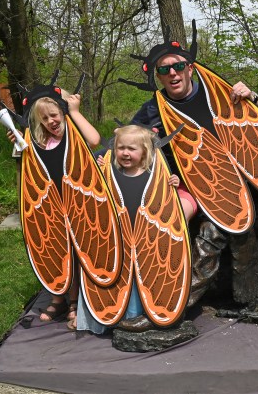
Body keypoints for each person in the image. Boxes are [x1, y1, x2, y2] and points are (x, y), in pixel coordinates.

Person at [128, 37, 258, 310]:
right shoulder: (153, 109)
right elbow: (125, 141)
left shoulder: (221, 93)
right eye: (163, 70)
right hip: (194, 184)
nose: (172, 73)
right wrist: (100, 158)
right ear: (157, 76)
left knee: (223, 227)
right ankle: (164, 299)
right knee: (187, 223)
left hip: (247, 180)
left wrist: (254, 98)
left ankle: (189, 303)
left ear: (190, 68)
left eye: (178, 66)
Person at [74, 124, 195, 333]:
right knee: (118, 280)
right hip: (117, 241)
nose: (125, 153)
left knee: (143, 279)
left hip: (145, 241)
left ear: (145, 151)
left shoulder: (156, 175)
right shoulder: (108, 172)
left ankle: (141, 316)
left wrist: (174, 183)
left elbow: (166, 205)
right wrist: (98, 168)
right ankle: (108, 317)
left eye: (132, 149)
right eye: (121, 148)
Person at [8, 89, 100, 328]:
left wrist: (75, 112)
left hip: (78, 204)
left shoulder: (74, 134)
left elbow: (95, 140)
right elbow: (27, 168)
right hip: (51, 207)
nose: (51, 122)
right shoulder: (40, 142)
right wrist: (19, 142)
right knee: (57, 248)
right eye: (45, 119)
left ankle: (74, 299)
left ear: (63, 113)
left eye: (55, 115)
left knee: (77, 249)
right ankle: (58, 297)